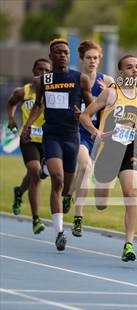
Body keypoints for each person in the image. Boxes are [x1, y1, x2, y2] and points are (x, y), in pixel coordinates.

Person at [22, 38, 93, 251]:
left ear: (69, 56)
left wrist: (85, 114)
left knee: (67, 186)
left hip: (72, 137)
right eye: (58, 52)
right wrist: (27, 125)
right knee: (58, 179)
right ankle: (59, 233)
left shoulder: (80, 79)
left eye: (65, 52)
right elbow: (37, 106)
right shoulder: (43, 80)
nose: (62, 55)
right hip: (51, 136)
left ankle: (68, 196)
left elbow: (93, 106)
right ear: (51, 56)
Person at [80, 55, 137, 262]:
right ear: (121, 73)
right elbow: (84, 116)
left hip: (128, 150)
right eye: (129, 67)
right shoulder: (110, 94)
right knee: (101, 203)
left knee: (131, 193)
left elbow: (135, 121)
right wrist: (94, 131)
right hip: (107, 151)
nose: (135, 70)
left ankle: (129, 244)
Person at [70, 40, 114, 237]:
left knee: (84, 174)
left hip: (100, 134)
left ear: (100, 59)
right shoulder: (74, 79)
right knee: (86, 166)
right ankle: (78, 217)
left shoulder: (108, 81)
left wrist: (109, 93)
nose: (92, 61)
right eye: (88, 58)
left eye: (95, 58)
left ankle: (68, 193)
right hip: (78, 132)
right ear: (81, 59)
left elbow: (121, 106)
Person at [7, 58, 51, 233]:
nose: (43, 73)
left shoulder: (52, 93)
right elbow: (11, 103)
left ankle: (19, 192)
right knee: (36, 173)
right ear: (33, 71)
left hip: (48, 140)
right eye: (40, 69)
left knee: (34, 175)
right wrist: (11, 119)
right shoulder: (22, 92)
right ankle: (36, 219)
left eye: (47, 71)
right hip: (28, 138)